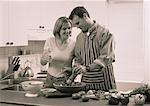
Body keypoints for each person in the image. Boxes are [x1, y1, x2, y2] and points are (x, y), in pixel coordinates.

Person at [67, 6, 116, 91]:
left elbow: (106, 57)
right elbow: (78, 59)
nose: (78, 27)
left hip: (104, 83)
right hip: (86, 84)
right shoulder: (79, 38)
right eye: (75, 26)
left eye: (78, 23)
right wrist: (74, 73)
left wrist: (86, 68)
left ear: (85, 16)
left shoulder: (104, 33)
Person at [40, 17, 75, 87]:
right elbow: (43, 62)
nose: (67, 31)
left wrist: (71, 77)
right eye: (64, 29)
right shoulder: (50, 41)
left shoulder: (74, 44)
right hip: (50, 79)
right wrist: (45, 58)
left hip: (65, 80)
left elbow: (77, 63)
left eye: (69, 28)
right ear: (58, 30)